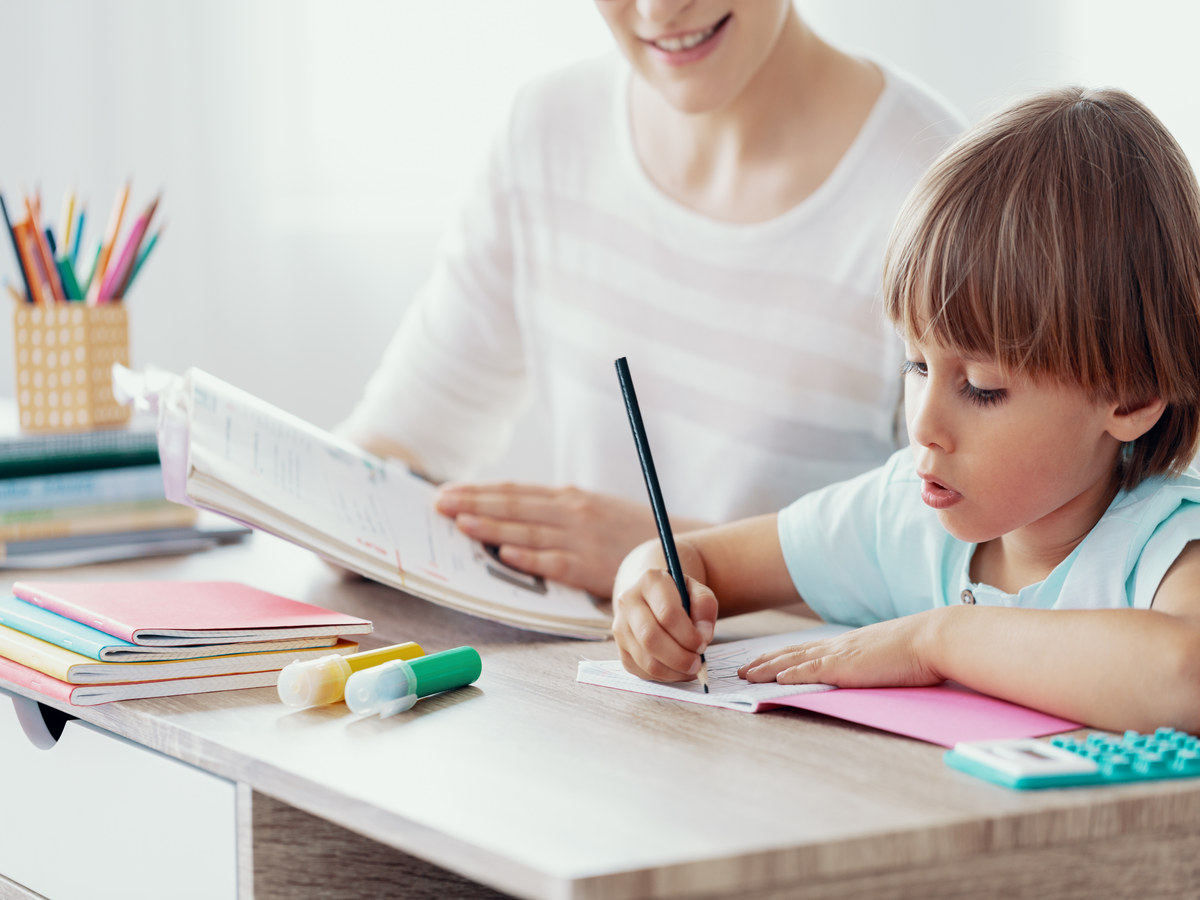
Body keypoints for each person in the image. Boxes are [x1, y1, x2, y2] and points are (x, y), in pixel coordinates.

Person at [609, 87, 1200, 733]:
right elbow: (692, 560)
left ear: (1134, 396)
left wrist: (937, 640)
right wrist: (646, 592)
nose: (922, 426)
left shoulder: (1167, 548)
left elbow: (1185, 678)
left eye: (981, 387)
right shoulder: (901, 515)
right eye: (918, 365)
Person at [338, 1, 963, 598]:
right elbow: (403, 437)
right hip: (588, 679)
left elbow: (975, 565)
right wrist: (323, 509)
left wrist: (668, 551)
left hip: (795, 697)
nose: (660, 10)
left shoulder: (939, 196)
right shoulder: (546, 133)